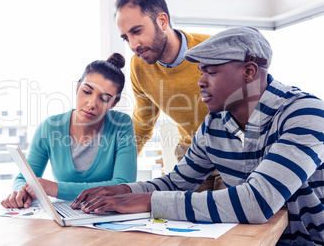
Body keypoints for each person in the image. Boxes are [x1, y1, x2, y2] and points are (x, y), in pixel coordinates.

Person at [72, 27, 324, 245]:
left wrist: (149, 200)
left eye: (211, 72)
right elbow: (176, 182)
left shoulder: (304, 113)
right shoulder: (214, 124)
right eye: (201, 72)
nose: (200, 82)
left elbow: (257, 201)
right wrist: (121, 191)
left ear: (248, 72)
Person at [115, 0, 224, 191]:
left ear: (162, 21)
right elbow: (142, 123)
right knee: (188, 218)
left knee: (232, 217)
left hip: (231, 149)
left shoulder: (212, 49)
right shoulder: (138, 67)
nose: (132, 44)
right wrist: (116, 171)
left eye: (137, 31)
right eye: (126, 37)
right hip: (190, 153)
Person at [1, 53, 138, 209]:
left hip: (106, 216)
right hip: (66, 216)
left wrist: (56, 189)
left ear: (114, 102)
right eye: (87, 91)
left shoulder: (121, 125)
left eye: (104, 99)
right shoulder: (50, 127)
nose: (92, 104)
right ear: (77, 86)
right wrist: (21, 192)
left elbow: (123, 185)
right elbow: (23, 178)